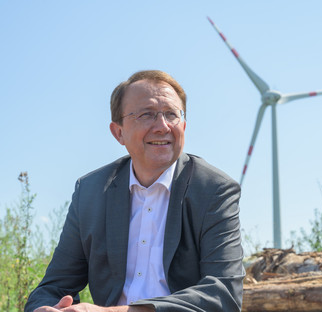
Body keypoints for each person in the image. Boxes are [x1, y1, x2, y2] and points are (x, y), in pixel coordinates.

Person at [25, 70, 245, 312]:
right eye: (146, 115)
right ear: (118, 132)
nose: (162, 126)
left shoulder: (214, 190)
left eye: (171, 114)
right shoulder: (91, 191)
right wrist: (46, 309)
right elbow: (52, 288)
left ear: (183, 124)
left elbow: (223, 294)